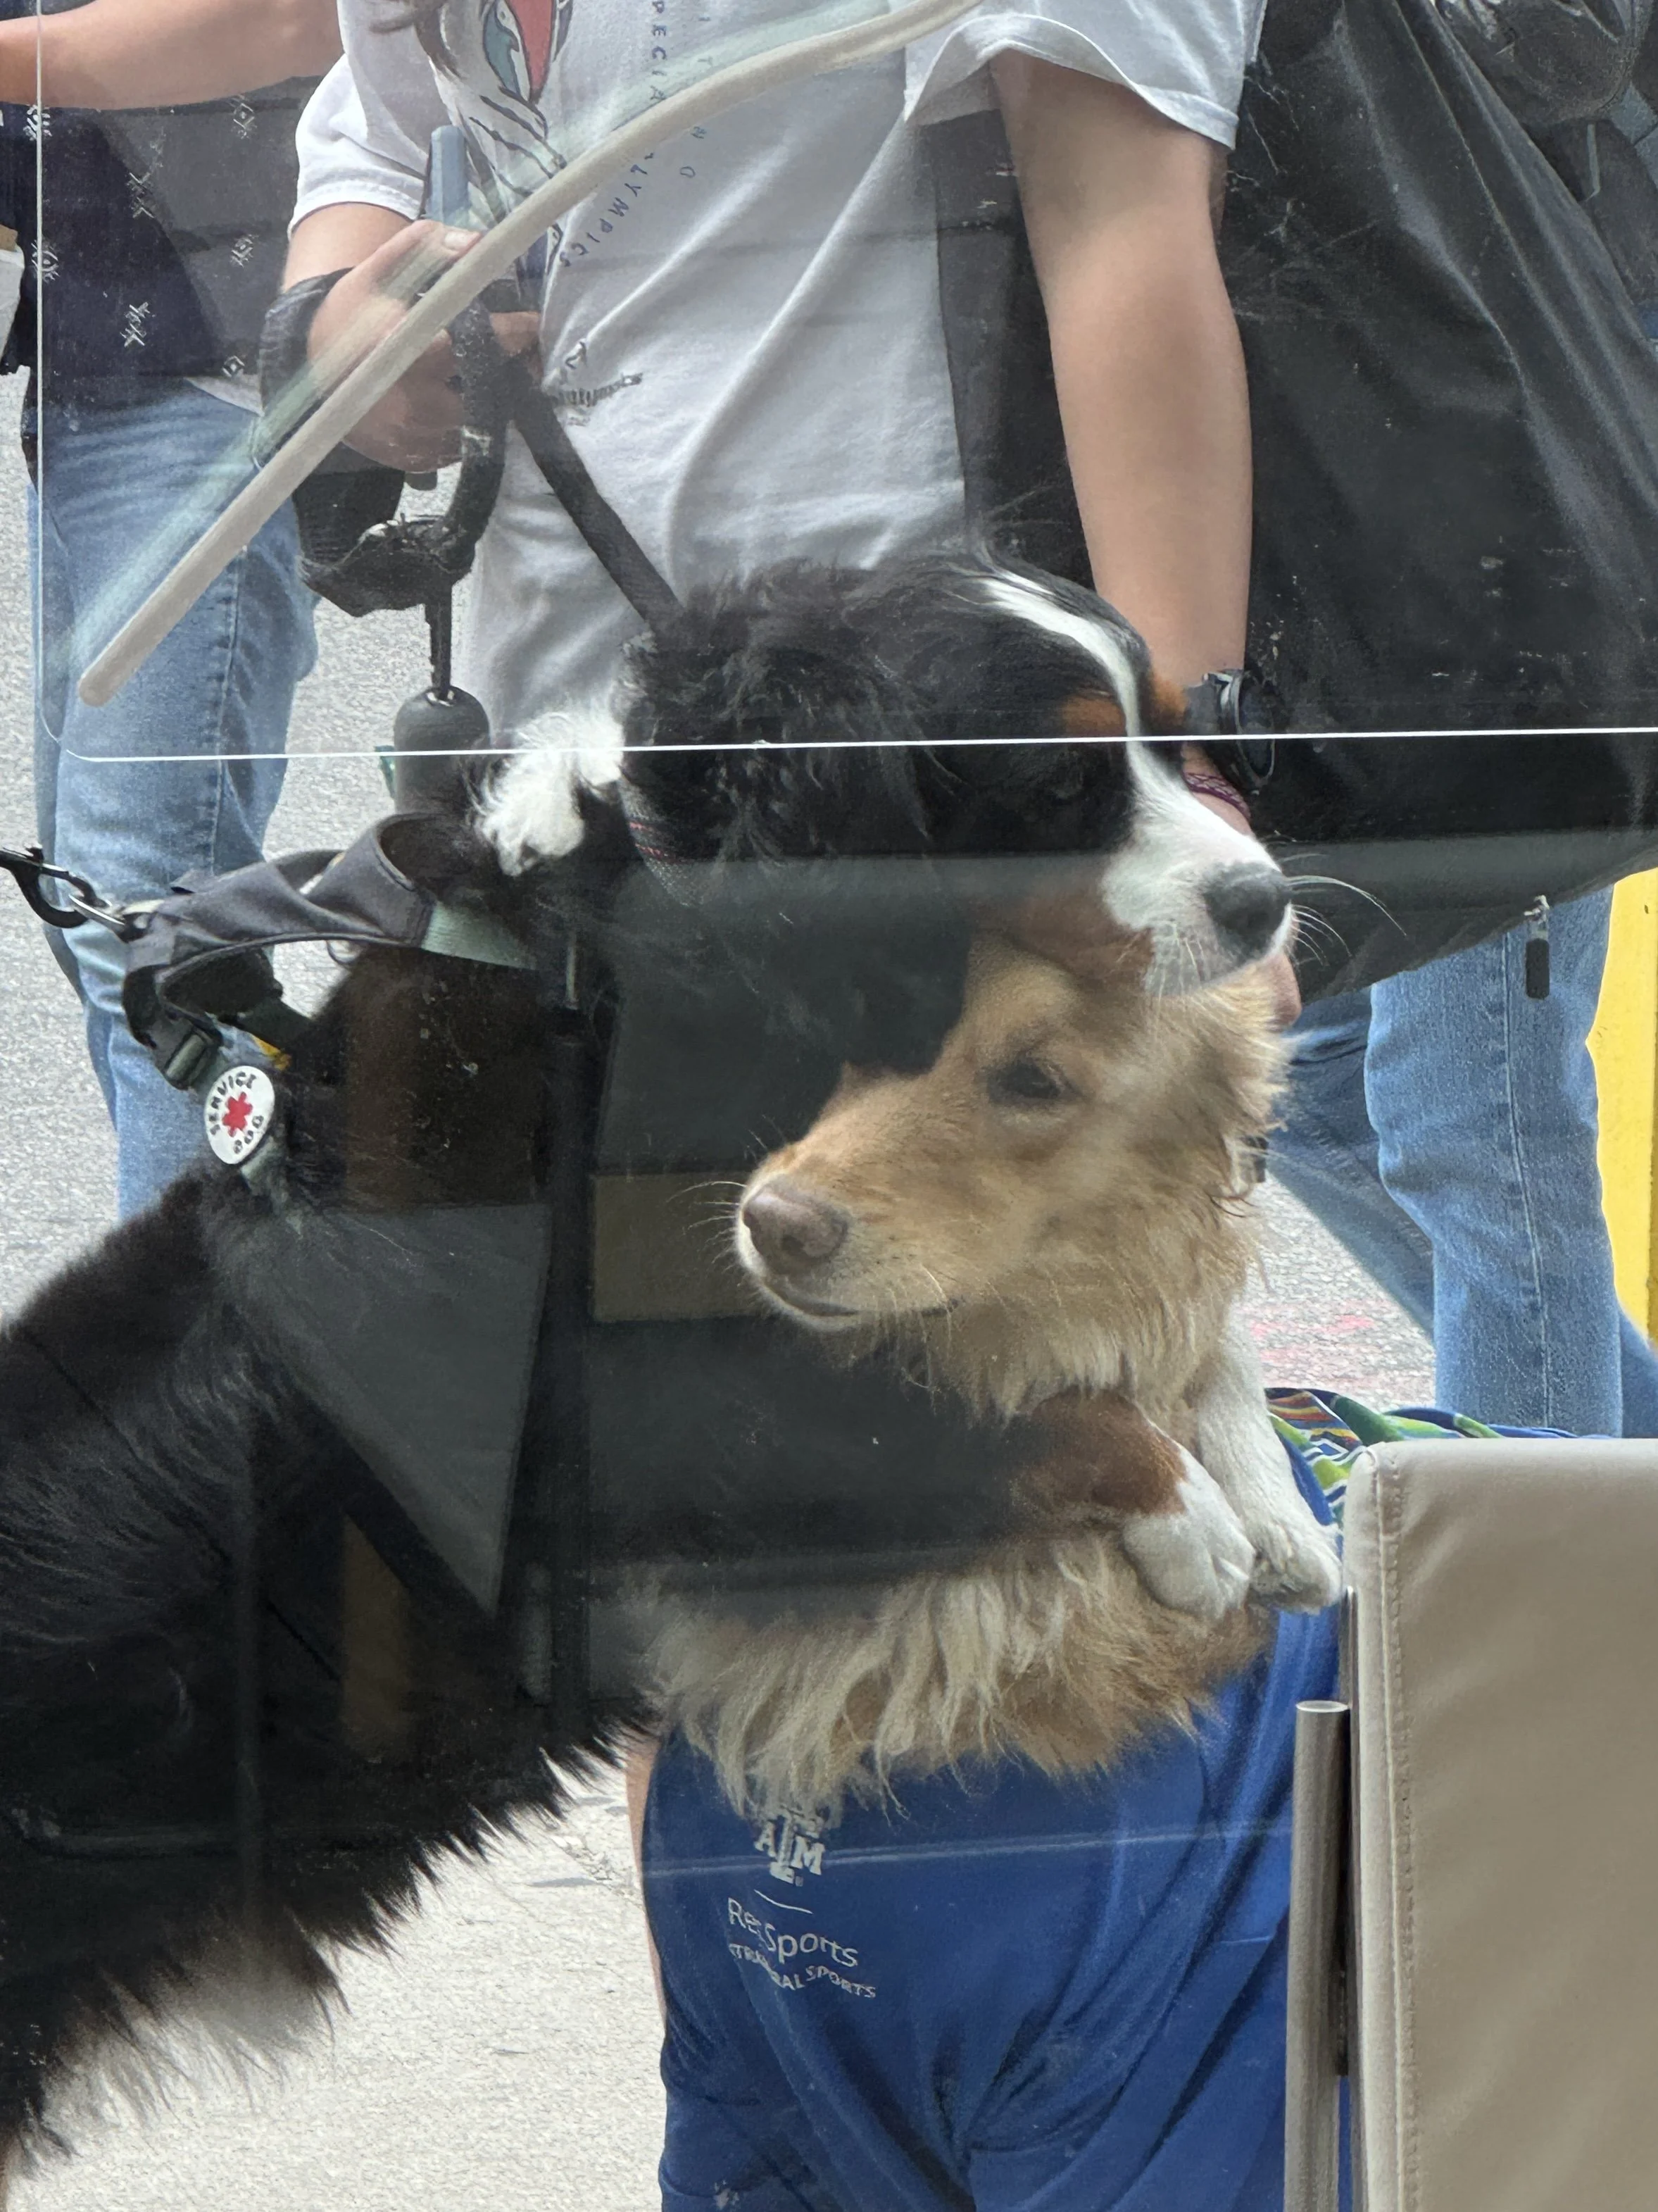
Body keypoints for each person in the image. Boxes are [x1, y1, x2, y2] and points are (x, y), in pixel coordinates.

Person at [0, 0, 340, 1216]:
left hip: (215, 378)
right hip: (97, 385)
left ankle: (199, 1331)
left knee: (154, 920)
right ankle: (217, 1292)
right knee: (108, 917)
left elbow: (295, 19)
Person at [1270, 893, 1658, 1436]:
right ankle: (1619, 1476)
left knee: (1483, 1130)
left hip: (1493, 812)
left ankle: (1534, 1510)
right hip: (1367, 809)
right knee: (1293, 1055)